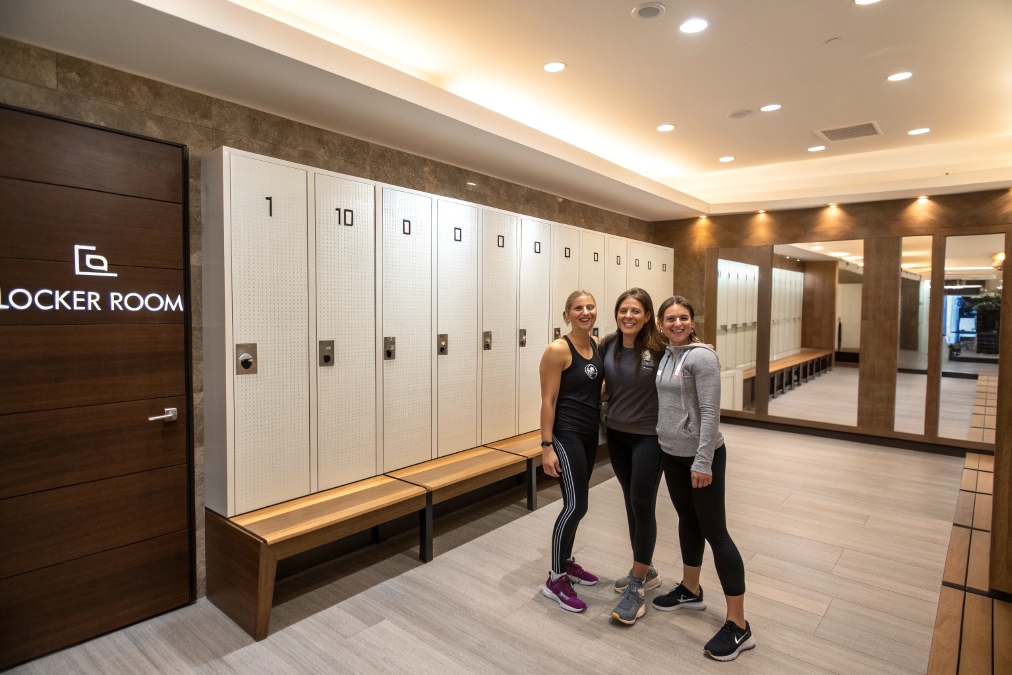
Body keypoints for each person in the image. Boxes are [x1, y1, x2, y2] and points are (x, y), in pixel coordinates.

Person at [652, 295, 755, 661]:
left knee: (717, 533)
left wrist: (703, 460)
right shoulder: (666, 354)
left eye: (682, 318)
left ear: (692, 322)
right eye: (669, 319)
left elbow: (711, 413)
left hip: (700, 457)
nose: (676, 324)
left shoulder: (702, 357)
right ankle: (691, 590)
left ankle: (740, 626)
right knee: (687, 520)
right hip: (671, 453)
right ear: (661, 324)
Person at [598, 288, 668, 626]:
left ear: (647, 315)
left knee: (642, 502)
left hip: (649, 438)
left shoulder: (660, 347)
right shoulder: (608, 345)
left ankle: (637, 587)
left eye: (636, 311)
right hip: (617, 434)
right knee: (630, 501)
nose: (629, 316)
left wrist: (703, 349)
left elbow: (688, 355)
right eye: (623, 310)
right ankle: (646, 568)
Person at [538, 290, 604, 612]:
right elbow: (548, 401)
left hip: (590, 435)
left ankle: (565, 561)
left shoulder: (596, 346)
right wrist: (546, 446)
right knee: (575, 505)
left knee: (578, 505)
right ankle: (554, 577)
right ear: (567, 314)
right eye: (578, 308)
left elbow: (595, 389)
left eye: (590, 306)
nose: (585, 312)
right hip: (565, 436)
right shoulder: (557, 350)